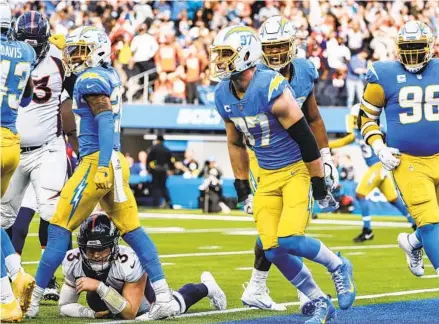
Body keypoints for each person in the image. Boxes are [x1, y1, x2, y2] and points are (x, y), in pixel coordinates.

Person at [26, 26, 179, 319]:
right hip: (114, 160)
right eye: (74, 51)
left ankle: (31, 301)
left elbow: (105, 120)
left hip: (97, 160)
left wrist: (102, 162)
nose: (75, 56)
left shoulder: (92, 78)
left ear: (97, 50)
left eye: (81, 50)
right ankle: (163, 296)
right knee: (132, 231)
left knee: (58, 228)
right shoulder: (107, 74)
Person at [211, 25, 355, 324]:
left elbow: (305, 134)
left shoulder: (270, 84)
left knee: (289, 237)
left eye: (227, 54)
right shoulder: (221, 93)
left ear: (246, 55)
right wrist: (241, 186)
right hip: (265, 174)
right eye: (220, 54)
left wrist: (318, 179)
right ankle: (319, 301)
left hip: (295, 170)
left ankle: (338, 265)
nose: (221, 61)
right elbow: (235, 142)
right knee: (273, 249)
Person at [240, 16, 340, 314]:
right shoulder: (252, 77)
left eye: (280, 46)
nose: (274, 54)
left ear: (292, 45)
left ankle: (258, 286)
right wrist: (242, 183)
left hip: (298, 156)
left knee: (288, 230)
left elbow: (313, 116)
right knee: (275, 230)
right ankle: (301, 292)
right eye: (268, 48)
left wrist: (326, 156)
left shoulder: (305, 70)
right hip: (265, 159)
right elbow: (236, 133)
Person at [1, 11, 78, 301]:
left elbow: (77, 94)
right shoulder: (12, 55)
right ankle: (10, 282)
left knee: (53, 215)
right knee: (4, 219)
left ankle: (58, 284)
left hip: (48, 149)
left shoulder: (59, 58)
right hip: (14, 148)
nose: (31, 50)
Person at [358, 20, 438, 279]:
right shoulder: (384, 73)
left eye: (417, 47)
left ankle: (412, 242)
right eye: (408, 47)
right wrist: (379, 146)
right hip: (408, 160)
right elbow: (367, 117)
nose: (413, 53)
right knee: (430, 221)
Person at [59, 212, 226, 319]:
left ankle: (207, 287)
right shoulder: (73, 260)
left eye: (102, 248)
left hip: (142, 301)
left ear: (113, 245)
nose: (96, 254)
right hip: (113, 300)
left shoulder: (128, 260)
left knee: (173, 306)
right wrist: (91, 314)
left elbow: (130, 313)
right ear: (81, 247)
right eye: (91, 249)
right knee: (94, 300)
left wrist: (99, 287)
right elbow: (65, 306)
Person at [330, 104, 416, 242]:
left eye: (354, 118)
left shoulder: (375, 130)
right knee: (393, 199)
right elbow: (343, 141)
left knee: (360, 194)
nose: (352, 121)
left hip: (378, 166)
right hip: (377, 168)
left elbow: (391, 141)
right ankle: (415, 224)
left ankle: (367, 230)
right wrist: (323, 146)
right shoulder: (357, 133)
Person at [0, 2, 36, 321]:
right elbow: (26, 97)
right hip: (11, 143)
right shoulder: (26, 52)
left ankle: (5, 300)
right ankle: (16, 273)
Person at [147, 134, 174, 208]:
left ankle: (156, 203)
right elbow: (170, 162)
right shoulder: (167, 150)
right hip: (163, 170)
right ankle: (169, 202)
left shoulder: (153, 149)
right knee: (163, 187)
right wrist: (172, 169)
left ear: (157, 140)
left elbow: (148, 160)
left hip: (155, 170)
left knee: (155, 187)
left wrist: (148, 169)